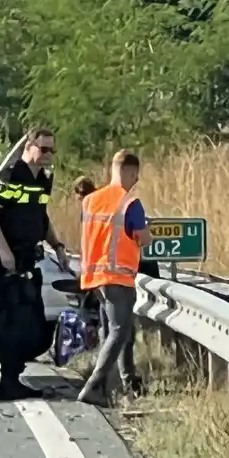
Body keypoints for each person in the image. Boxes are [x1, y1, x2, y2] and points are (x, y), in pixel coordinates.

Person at [0, 128, 70, 401]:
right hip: (9, 258)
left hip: (29, 257)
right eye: (43, 149)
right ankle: (8, 383)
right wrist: (4, 250)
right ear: (29, 147)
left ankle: (14, 379)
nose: (48, 156)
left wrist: (57, 246)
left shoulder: (43, 179)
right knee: (14, 321)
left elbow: (41, 217)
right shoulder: (11, 173)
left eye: (51, 150)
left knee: (31, 319)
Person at [77, 150, 152, 407]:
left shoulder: (90, 201)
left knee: (113, 329)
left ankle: (124, 381)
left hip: (94, 277)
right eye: (136, 175)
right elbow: (142, 237)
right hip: (117, 276)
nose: (136, 181)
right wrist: (148, 235)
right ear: (129, 171)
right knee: (120, 331)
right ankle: (94, 385)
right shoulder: (130, 203)